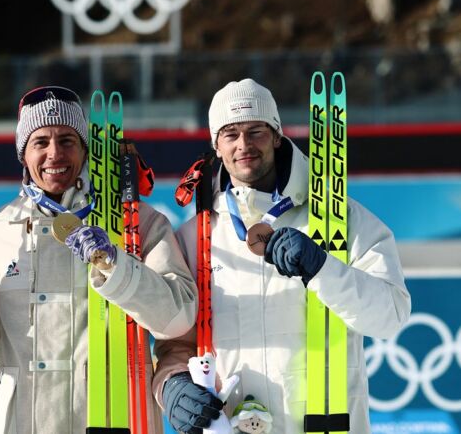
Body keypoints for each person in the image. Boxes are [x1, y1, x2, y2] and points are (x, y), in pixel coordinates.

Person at [152, 78, 412, 434]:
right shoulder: (196, 234)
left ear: (276, 135)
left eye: (256, 130)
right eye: (230, 133)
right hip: (233, 425)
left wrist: (322, 268)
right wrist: (173, 385)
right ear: (216, 144)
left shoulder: (340, 218)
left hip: (325, 424)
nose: (244, 144)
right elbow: (175, 343)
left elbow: (392, 316)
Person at [0, 86, 197, 433]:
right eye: (41, 142)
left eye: (67, 140)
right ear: (24, 153)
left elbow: (178, 317)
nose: (55, 154)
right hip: (23, 423)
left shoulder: (136, 221)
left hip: (111, 418)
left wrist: (116, 266)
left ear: (84, 149)